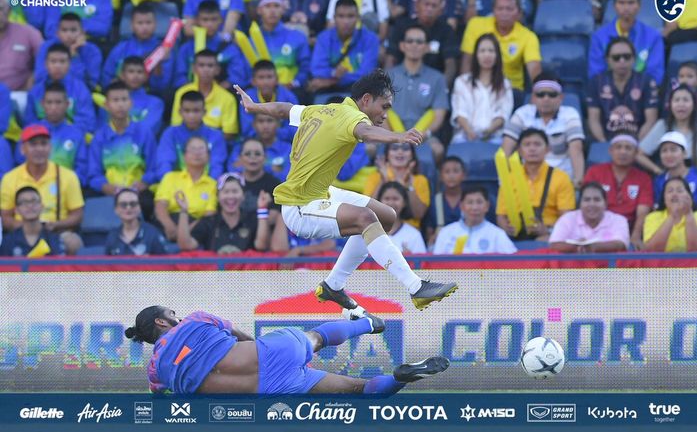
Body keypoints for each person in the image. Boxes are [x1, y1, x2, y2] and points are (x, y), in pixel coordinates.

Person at [234, 69, 458, 311]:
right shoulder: (353, 118)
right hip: (300, 206)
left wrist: (254, 107)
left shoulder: (321, 109)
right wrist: (399, 137)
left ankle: (333, 285)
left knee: (386, 216)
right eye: (384, 107)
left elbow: (284, 109)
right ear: (366, 100)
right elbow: (366, 132)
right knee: (365, 219)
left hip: (321, 192)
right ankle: (416, 287)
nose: (385, 115)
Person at [125, 305, 449, 394]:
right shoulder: (196, 319)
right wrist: (261, 352)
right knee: (316, 338)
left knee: (358, 390)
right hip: (269, 355)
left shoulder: (156, 371)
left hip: (268, 389)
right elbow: (237, 333)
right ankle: (368, 323)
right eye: (171, 314)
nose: (177, 315)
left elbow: (157, 396)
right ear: (162, 322)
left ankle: (401, 377)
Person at [502, 72, 585, 186]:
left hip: (561, 182)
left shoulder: (570, 114)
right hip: (527, 182)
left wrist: (578, 180)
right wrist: (504, 181)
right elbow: (507, 148)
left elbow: (576, 149)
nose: (546, 99)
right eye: (541, 94)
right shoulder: (522, 113)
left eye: (552, 94)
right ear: (533, 98)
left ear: (561, 98)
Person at [1, 125, 84, 234]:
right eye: (33, 144)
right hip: (21, 234)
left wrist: (56, 225)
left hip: (56, 232)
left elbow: (77, 214)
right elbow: (5, 217)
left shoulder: (68, 176)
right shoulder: (9, 178)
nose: (39, 149)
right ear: (22, 149)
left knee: (72, 242)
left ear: (50, 148)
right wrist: (30, 227)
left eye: (44, 144)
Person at [496, 128, 575, 241]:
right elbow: (501, 215)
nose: (532, 149)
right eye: (527, 145)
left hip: (549, 236)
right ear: (519, 150)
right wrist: (506, 228)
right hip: (515, 237)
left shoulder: (561, 178)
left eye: (537, 144)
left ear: (547, 149)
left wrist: (547, 231)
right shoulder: (509, 178)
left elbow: (567, 218)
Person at [176, 173, 286, 253]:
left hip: (247, 280)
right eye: (226, 192)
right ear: (218, 197)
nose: (230, 196)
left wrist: (262, 209)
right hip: (215, 280)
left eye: (235, 191)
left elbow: (261, 245)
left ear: (243, 195)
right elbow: (186, 245)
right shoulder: (209, 222)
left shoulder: (251, 219)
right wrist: (184, 211)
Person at [460, 0, 541, 94]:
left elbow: (534, 70)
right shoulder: (475, 25)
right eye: (500, 8)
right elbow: (467, 61)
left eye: (509, 9)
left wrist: (539, 93)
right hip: (478, 87)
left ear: (519, 12)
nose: (504, 13)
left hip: (511, 90)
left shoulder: (528, 36)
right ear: (493, 10)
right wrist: (466, 89)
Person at [387, 25, 450, 162]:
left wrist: (424, 134)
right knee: (370, 148)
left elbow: (439, 115)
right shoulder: (388, 75)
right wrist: (392, 136)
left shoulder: (437, 78)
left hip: (424, 136)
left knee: (438, 150)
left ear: (427, 47)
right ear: (402, 46)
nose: (414, 45)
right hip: (392, 134)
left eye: (419, 42)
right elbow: (380, 111)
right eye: (410, 41)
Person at [87, 82, 158, 200]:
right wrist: (105, 186)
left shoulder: (144, 132)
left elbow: (154, 167)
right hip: (109, 193)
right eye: (115, 100)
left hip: (138, 191)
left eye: (124, 100)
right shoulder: (100, 136)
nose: (120, 105)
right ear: (106, 105)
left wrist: (144, 183)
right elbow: (93, 173)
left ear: (131, 103)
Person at [584, 132, 653, 250]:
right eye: (618, 147)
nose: (623, 152)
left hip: (629, 230)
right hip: (598, 227)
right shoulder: (594, 172)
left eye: (628, 148)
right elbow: (587, 205)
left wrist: (635, 236)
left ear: (636, 153)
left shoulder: (643, 178)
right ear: (610, 151)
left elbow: (642, 213)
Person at [588, 0, 665, 85]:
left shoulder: (653, 37)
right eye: (622, 3)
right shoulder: (599, 37)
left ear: (639, 5)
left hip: (642, 94)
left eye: (631, 3)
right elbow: (596, 74)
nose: (626, 8)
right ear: (614, 6)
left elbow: (655, 75)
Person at [15, 82, 89, 186]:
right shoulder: (29, 132)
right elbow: (20, 163)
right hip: (32, 188)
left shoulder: (77, 134)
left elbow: (81, 170)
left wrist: (66, 185)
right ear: (42, 104)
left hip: (66, 189)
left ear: (67, 104)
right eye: (49, 102)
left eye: (58, 102)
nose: (53, 107)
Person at [587, 37, 659, 142]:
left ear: (634, 59)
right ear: (608, 60)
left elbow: (651, 120)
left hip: (638, 141)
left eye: (627, 57)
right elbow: (594, 120)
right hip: (606, 141)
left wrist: (634, 144)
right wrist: (605, 144)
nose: (622, 61)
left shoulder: (646, 81)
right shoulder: (596, 82)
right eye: (616, 57)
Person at [385, 0, 459, 86]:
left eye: (434, 6)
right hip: (401, 82)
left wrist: (441, 88)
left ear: (440, 11)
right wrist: (387, 86)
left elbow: (450, 65)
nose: (429, 9)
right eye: (426, 4)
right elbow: (390, 59)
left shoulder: (446, 30)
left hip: (433, 83)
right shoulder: (401, 27)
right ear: (416, 6)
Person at [308, 0, 380, 97]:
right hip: (326, 90)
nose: (346, 21)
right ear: (334, 18)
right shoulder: (323, 38)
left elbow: (366, 74)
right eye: (341, 16)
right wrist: (334, 73)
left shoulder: (371, 39)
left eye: (350, 16)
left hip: (357, 91)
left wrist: (333, 80)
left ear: (358, 18)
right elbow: (316, 69)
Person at [101, 1, 175, 95]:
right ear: (132, 25)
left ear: (155, 24)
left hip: (150, 96)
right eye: (140, 23)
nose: (144, 27)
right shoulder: (121, 48)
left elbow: (162, 86)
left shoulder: (163, 49)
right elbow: (107, 76)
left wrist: (158, 64)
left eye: (148, 23)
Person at [451, 33, 513, 145]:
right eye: (482, 51)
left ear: (497, 55)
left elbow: (503, 114)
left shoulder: (505, 84)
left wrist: (487, 132)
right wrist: (470, 132)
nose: (487, 55)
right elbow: (459, 112)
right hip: (464, 137)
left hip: (494, 137)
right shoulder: (461, 81)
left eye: (491, 51)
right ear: (476, 55)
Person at [174, 0, 251, 89]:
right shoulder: (186, 48)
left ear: (221, 20)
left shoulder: (229, 47)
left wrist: (214, 92)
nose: (209, 24)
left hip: (223, 95)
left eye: (214, 19)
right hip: (192, 96)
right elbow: (179, 78)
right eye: (205, 20)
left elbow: (237, 78)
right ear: (197, 21)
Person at [25, 43, 96, 135]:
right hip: (41, 138)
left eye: (62, 61)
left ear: (70, 64)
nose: (57, 66)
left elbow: (87, 123)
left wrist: (64, 133)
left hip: (72, 138)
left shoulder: (80, 90)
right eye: (53, 61)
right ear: (46, 64)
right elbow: (29, 122)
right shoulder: (35, 91)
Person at [155, 137, 217, 241]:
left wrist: (184, 232)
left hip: (195, 227)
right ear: (184, 156)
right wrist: (169, 226)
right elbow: (160, 206)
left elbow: (209, 215)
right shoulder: (170, 177)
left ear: (209, 157)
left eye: (201, 149)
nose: (197, 153)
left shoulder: (213, 185)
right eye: (193, 149)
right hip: (169, 223)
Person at [156, 90, 227, 181]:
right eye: (187, 111)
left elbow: (217, 167)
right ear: (180, 112)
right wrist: (171, 185)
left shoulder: (216, 135)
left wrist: (207, 186)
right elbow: (164, 164)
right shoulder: (170, 134)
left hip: (207, 187)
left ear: (204, 112)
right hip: (176, 187)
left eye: (196, 111)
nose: (191, 115)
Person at [251, 0, 312, 91]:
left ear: (283, 9)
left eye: (276, 6)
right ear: (259, 10)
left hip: (292, 90)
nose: (272, 11)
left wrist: (295, 83)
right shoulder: (251, 39)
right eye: (267, 6)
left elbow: (305, 66)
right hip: (259, 92)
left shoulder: (298, 37)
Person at [171, 49, 238, 139]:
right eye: (201, 65)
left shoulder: (228, 98)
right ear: (194, 68)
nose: (206, 69)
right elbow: (176, 126)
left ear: (217, 70)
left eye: (210, 66)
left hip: (214, 145)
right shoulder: (181, 93)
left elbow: (228, 133)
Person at [549, 182, 630, 253]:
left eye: (597, 200)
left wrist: (593, 247)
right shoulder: (567, 218)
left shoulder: (618, 220)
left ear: (605, 203)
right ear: (580, 204)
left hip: (608, 268)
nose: (592, 204)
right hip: (573, 267)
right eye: (587, 200)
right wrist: (576, 247)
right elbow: (554, 244)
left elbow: (620, 244)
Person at [435, 184, 516, 254]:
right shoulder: (446, 233)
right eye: (470, 202)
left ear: (487, 206)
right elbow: (435, 266)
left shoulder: (497, 234)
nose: (475, 207)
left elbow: (513, 265)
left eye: (479, 202)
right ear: (461, 206)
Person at [365, 142, 430, 229]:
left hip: (411, 231)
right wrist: (383, 180)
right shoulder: (374, 177)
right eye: (394, 148)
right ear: (387, 155)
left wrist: (409, 185)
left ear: (412, 155)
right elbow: (368, 210)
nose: (400, 152)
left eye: (405, 148)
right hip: (379, 229)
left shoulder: (420, 180)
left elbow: (419, 214)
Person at [640, 84, 697, 174]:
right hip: (669, 182)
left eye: (686, 100)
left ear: (694, 105)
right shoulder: (662, 126)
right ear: (670, 104)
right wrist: (659, 172)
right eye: (676, 100)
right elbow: (639, 154)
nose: (681, 104)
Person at [34, 13, 103, 89]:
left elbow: (90, 83)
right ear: (57, 33)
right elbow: (39, 77)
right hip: (49, 90)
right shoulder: (46, 47)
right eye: (64, 30)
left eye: (73, 30)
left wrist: (74, 56)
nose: (69, 35)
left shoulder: (93, 51)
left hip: (80, 93)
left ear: (82, 32)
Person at [238, 60, 298, 142]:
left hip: (283, 143)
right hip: (255, 142)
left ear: (277, 79)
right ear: (253, 81)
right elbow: (247, 130)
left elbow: (295, 130)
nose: (266, 82)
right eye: (261, 77)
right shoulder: (247, 98)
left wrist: (273, 133)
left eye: (269, 77)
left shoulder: (288, 97)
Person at [0, 186, 66, 257]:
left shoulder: (54, 238)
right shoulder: (8, 241)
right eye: (24, 202)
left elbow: (59, 266)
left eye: (34, 201)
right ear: (16, 210)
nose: (30, 205)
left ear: (42, 206)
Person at [0, 0, 43, 91]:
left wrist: (33, 78)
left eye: (1, 9)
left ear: (9, 11)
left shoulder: (28, 33)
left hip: (19, 95)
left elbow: (45, 59)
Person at [105, 188, 168, 256]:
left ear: (140, 208)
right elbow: (107, 265)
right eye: (123, 204)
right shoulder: (112, 236)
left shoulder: (153, 234)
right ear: (116, 210)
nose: (128, 208)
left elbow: (165, 264)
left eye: (133, 204)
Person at [643, 177, 697, 252]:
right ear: (664, 198)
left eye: (680, 191)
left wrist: (688, 213)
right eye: (670, 191)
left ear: (689, 196)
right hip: (662, 263)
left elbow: (696, 250)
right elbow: (653, 250)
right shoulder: (653, 217)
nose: (675, 194)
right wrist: (672, 216)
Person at [228, 116, 292, 181]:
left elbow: (287, 177)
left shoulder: (288, 149)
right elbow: (232, 172)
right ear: (254, 124)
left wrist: (249, 165)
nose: (265, 126)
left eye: (270, 121)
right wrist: (271, 168)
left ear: (278, 124)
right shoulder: (240, 146)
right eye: (261, 121)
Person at [424, 156, 466, 247]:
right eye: (447, 172)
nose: (451, 176)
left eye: (455, 171)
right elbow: (429, 231)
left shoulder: (471, 200)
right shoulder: (434, 201)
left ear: (464, 175)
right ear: (441, 176)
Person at [650, 132, 697, 206]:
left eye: (673, 150)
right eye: (664, 150)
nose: (669, 155)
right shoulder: (659, 181)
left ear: (685, 153)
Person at [378, 182, 427, 254]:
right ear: (379, 202)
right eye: (387, 198)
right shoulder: (368, 232)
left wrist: (410, 259)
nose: (391, 203)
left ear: (404, 203)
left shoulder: (413, 234)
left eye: (395, 199)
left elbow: (422, 264)